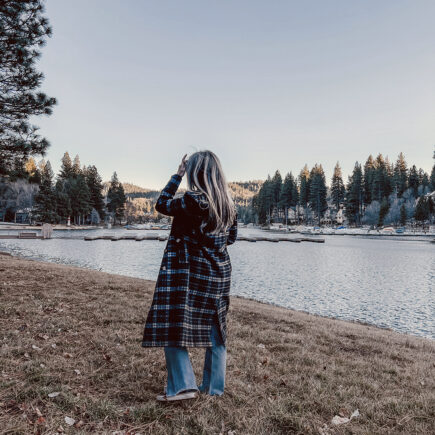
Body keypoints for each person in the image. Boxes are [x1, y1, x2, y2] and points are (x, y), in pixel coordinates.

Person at [142, 150, 238, 402]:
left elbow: (162, 204)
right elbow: (230, 239)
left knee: (173, 321)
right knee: (216, 329)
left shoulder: (193, 200)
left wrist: (176, 175)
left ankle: (183, 386)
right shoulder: (229, 205)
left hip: (188, 272)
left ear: (195, 172)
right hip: (218, 274)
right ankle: (213, 389)